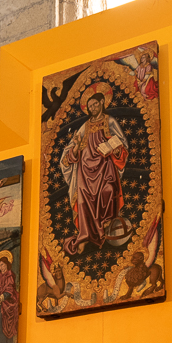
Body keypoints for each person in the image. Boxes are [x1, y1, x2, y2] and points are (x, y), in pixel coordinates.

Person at [60, 82, 129, 254]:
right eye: (90, 106)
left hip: (105, 166)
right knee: (83, 201)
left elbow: (121, 142)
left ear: (102, 103)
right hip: (84, 170)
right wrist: (76, 146)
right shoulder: (85, 126)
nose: (93, 108)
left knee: (108, 190)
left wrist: (114, 148)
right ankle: (85, 235)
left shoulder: (109, 121)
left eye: (95, 104)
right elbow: (72, 147)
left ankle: (107, 226)